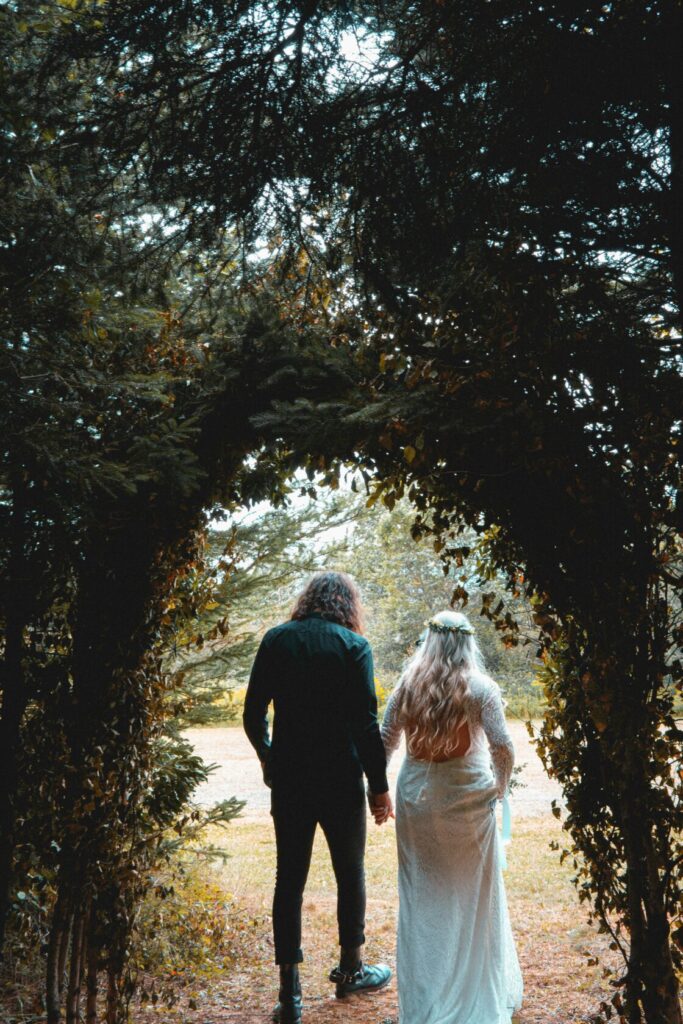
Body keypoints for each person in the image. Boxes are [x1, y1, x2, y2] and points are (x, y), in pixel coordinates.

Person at [243, 571, 393, 1024]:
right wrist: (379, 788)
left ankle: (289, 996)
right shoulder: (354, 647)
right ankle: (351, 970)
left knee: (288, 878)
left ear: (307, 600)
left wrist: (268, 757)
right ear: (348, 604)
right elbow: (366, 724)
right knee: (350, 872)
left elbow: (253, 712)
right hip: (340, 779)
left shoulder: (277, 640)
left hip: (290, 778)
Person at [380, 609, 523, 1024]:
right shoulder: (482, 689)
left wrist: (379, 791)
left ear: (430, 642)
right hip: (468, 801)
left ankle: (426, 999)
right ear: (467, 644)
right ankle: (474, 993)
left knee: (421, 894)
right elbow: (504, 746)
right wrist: (500, 787)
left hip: (417, 799)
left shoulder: (407, 687)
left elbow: (383, 743)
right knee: (474, 898)